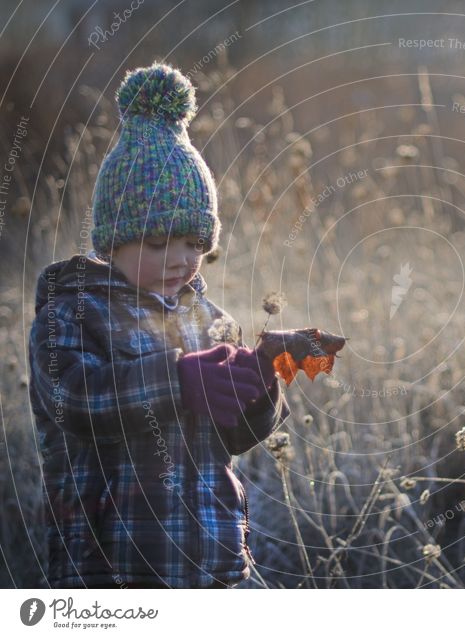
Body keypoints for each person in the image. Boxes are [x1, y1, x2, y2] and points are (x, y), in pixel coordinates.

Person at [27, 61, 290, 588]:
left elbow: (234, 437)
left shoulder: (214, 323)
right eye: (156, 243)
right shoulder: (73, 314)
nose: (180, 259)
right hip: (113, 565)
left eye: (194, 243)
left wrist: (263, 385)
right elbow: (76, 400)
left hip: (212, 560)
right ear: (113, 241)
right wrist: (179, 379)